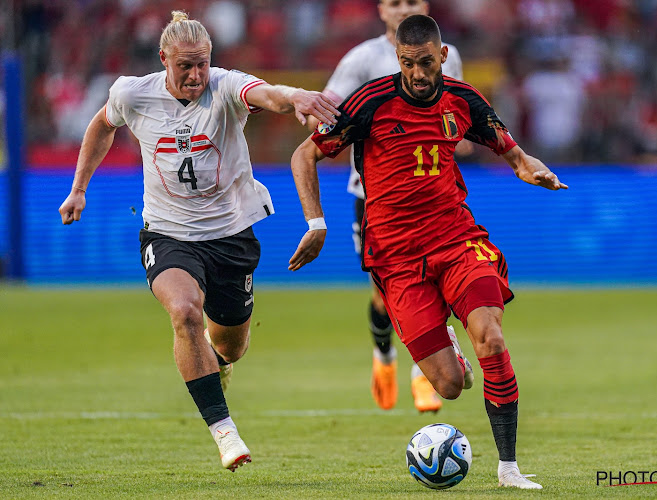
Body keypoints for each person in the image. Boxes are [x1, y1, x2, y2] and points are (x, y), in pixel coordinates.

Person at [288, 15, 567, 490]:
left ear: (442, 56)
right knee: (450, 386)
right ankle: (446, 347)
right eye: (408, 63)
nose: (418, 74)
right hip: (397, 259)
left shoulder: (464, 99)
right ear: (399, 59)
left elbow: (513, 152)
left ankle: (509, 470)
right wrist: (317, 223)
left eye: (426, 63)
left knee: (492, 340)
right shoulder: (370, 103)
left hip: (456, 240)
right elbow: (305, 155)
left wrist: (530, 169)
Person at [58, 10, 339, 472]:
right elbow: (101, 126)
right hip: (168, 233)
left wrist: (297, 98)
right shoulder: (132, 93)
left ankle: (217, 361)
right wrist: (79, 188)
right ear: (163, 58)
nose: (195, 75)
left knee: (230, 347)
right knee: (185, 312)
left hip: (230, 234)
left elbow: (267, 93)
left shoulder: (225, 87)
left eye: (202, 64)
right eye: (185, 65)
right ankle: (226, 434)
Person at [311, 0, 470, 414]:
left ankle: (424, 373)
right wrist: (325, 119)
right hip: (375, 200)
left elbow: (458, 114)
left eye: (412, 2)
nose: (404, 9)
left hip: (435, 197)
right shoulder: (362, 59)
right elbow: (325, 109)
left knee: (442, 282)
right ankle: (384, 354)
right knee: (387, 296)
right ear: (381, 10)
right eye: (395, 2)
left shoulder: (445, 55)